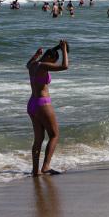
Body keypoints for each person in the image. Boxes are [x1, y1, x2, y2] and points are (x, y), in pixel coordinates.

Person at [26, 40, 70, 176]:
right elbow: (65, 66)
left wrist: (36, 55)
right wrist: (64, 49)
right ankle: (45, 166)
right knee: (54, 135)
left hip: (32, 104)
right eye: (54, 61)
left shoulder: (33, 65)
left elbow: (27, 64)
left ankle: (35, 170)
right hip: (42, 104)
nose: (53, 64)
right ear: (50, 58)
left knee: (38, 139)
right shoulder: (43, 66)